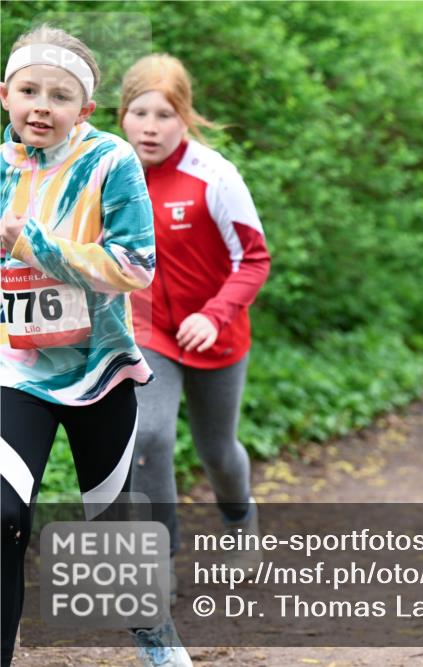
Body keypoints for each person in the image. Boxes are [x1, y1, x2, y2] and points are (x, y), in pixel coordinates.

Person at [0, 25, 192, 667]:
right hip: (15, 367)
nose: (41, 107)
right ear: (6, 95)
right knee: (2, 514)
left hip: (98, 369)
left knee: (106, 528)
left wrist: (32, 244)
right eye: (29, 91)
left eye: (59, 96)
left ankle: (153, 635)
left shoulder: (110, 160)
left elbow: (136, 265)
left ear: (83, 110)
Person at [120, 54, 270, 583]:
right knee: (150, 436)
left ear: (186, 117)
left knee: (218, 451)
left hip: (217, 332)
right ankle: (161, 559)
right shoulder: (110, 172)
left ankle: (238, 516)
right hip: (149, 329)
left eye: (165, 114)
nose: (151, 127)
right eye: (140, 113)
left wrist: (214, 314)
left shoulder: (215, 176)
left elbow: (255, 260)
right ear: (121, 115)